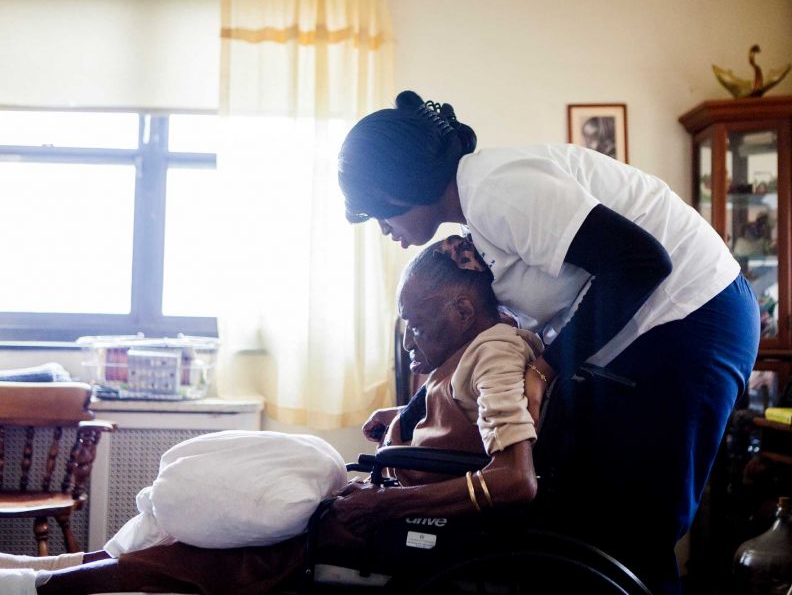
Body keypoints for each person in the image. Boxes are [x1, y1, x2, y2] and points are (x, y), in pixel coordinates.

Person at [337, 90, 761, 593]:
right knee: (585, 512)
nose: (383, 229)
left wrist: (545, 371)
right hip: (655, 332)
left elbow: (640, 263)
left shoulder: (495, 189)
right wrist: (418, 416)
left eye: (377, 214)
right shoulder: (480, 214)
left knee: (632, 532)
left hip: (692, 318)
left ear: (397, 189)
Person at [1, 237, 545, 595]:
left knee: (242, 547)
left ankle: (53, 585)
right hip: (401, 502)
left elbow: (514, 478)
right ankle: (59, 569)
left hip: (423, 524)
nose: (410, 341)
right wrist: (402, 416)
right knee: (210, 517)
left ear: (463, 310)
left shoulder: (493, 351)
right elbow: (462, 418)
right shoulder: (474, 347)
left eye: (418, 326)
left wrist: (388, 502)